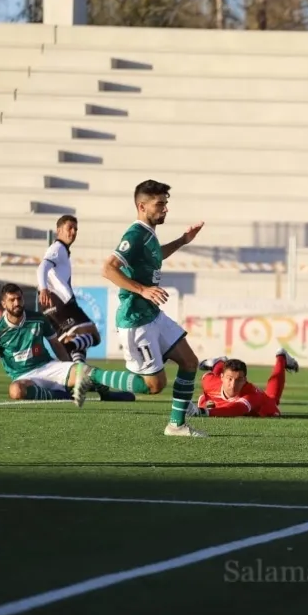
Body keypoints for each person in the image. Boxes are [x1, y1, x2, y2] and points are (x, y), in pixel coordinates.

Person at [100, 179, 207, 437]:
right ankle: (92, 376)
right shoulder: (135, 234)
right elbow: (107, 269)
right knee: (153, 386)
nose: (165, 209)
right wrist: (142, 289)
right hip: (135, 319)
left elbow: (156, 254)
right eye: (159, 204)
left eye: (166, 204)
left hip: (153, 314)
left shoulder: (148, 235)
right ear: (142, 206)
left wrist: (183, 240)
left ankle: (176, 425)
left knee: (189, 361)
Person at [36, 215, 135, 403]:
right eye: (69, 228)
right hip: (60, 302)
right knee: (94, 335)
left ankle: (78, 381)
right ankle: (71, 352)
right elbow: (42, 267)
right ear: (59, 231)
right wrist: (44, 288)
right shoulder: (58, 248)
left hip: (48, 307)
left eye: (76, 229)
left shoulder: (61, 250)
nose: (73, 232)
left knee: (76, 345)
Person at [0, 283, 95, 406]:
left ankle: (108, 393)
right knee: (16, 391)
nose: (17, 303)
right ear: (4, 304)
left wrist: (69, 365)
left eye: (19, 298)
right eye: (12, 300)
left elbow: (56, 345)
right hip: (25, 377)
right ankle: (60, 395)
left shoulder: (38, 319)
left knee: (86, 373)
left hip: (48, 367)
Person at [194, 349, 299, 418]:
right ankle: (219, 362)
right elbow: (208, 378)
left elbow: (236, 409)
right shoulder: (209, 381)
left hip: (264, 405)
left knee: (273, 399)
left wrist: (204, 412)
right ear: (221, 378)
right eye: (229, 379)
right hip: (219, 384)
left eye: (239, 379)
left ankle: (281, 357)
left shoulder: (251, 395)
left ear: (245, 380)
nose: (233, 384)